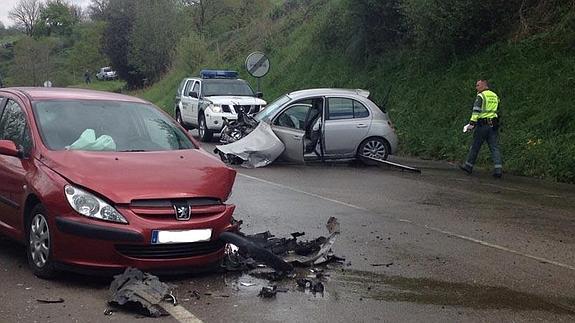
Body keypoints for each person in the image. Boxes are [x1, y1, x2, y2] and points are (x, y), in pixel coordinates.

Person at [460, 79, 503, 178]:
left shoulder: (481, 96)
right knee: (494, 147)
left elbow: (476, 111)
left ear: (484, 85)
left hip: (482, 125)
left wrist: (471, 123)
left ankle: (468, 166)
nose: (476, 87)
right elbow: (496, 109)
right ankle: (498, 170)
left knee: (475, 146)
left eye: (478, 85)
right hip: (493, 125)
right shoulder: (495, 95)